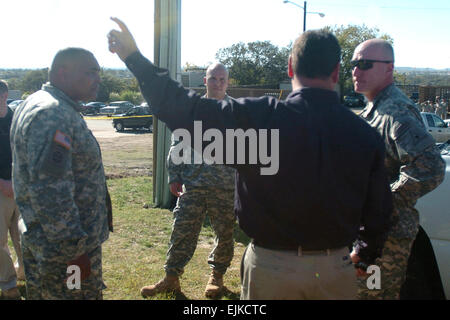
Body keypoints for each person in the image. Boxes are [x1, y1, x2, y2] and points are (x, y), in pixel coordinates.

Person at [108, 18, 393, 300]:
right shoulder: (364, 135)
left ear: (291, 67)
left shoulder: (258, 122)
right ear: (337, 71)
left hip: (271, 268)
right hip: (334, 269)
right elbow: (378, 210)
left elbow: (182, 109)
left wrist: (134, 58)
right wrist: (366, 255)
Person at [10, 48, 112, 300]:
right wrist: (74, 252)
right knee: (75, 295)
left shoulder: (39, 103)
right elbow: (51, 191)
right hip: (64, 252)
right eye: (90, 73)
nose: (98, 79)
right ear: (62, 73)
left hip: (48, 240)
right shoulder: (53, 114)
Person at [350, 39, 446, 299]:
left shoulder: (395, 111)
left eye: (365, 64)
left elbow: (431, 167)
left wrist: (383, 200)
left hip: (385, 242)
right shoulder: (376, 108)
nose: (356, 71)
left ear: (389, 68)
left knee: (372, 295)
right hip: (372, 235)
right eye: (354, 64)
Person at [140, 63, 236, 299]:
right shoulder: (193, 110)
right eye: (214, 78)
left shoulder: (236, 111)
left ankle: (217, 278)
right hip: (192, 184)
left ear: (228, 82)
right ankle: (171, 278)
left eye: (223, 79)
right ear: (205, 81)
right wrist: (174, 174)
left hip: (225, 187)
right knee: (181, 231)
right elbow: (178, 143)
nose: (218, 83)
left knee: (224, 234)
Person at [0, 80, 24, 300]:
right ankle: (8, 285)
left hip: (21, 188)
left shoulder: (17, 118)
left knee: (23, 236)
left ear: (5, 95)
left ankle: (23, 272)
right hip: (1, 190)